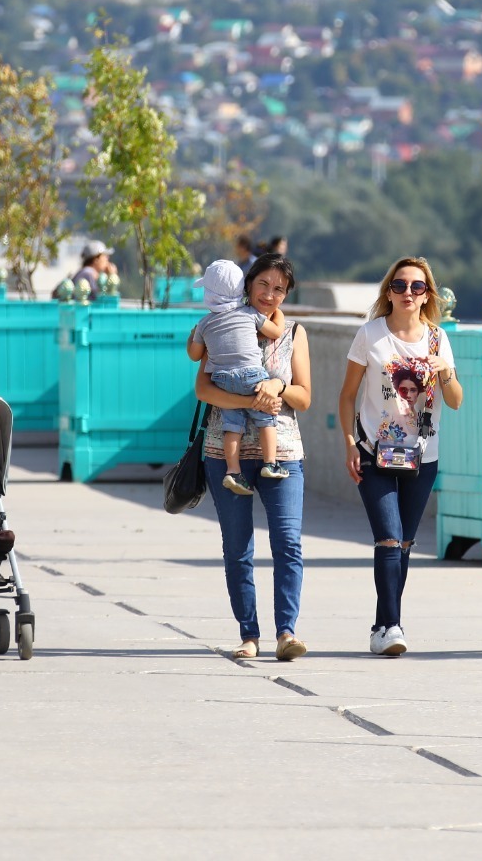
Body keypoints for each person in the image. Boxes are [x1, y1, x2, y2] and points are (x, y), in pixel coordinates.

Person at [338, 257, 462, 657]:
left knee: (405, 543)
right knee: (388, 539)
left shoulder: (438, 338)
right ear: (388, 291)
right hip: (375, 451)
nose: (408, 293)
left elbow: (456, 401)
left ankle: (382, 624)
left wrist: (445, 372)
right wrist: (348, 443)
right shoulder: (371, 335)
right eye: (400, 285)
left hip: (422, 456)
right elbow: (347, 395)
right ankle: (392, 625)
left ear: (428, 294)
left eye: (417, 286)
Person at [193, 253, 312, 662]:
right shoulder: (223, 323)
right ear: (248, 284)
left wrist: (277, 386)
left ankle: (286, 632)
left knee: (287, 545)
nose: (270, 295)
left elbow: (305, 397)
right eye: (263, 284)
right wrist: (247, 398)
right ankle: (248, 634)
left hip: (283, 454)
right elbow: (203, 389)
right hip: (224, 454)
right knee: (237, 549)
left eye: (279, 289)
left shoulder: (293, 332)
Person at [186, 259, 288, 496]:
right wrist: (279, 314)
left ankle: (233, 471)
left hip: (222, 379)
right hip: (251, 374)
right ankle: (270, 463)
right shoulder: (249, 313)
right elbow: (276, 331)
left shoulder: (205, 323)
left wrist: (191, 337)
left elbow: (194, 355)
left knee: (232, 426)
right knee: (266, 417)